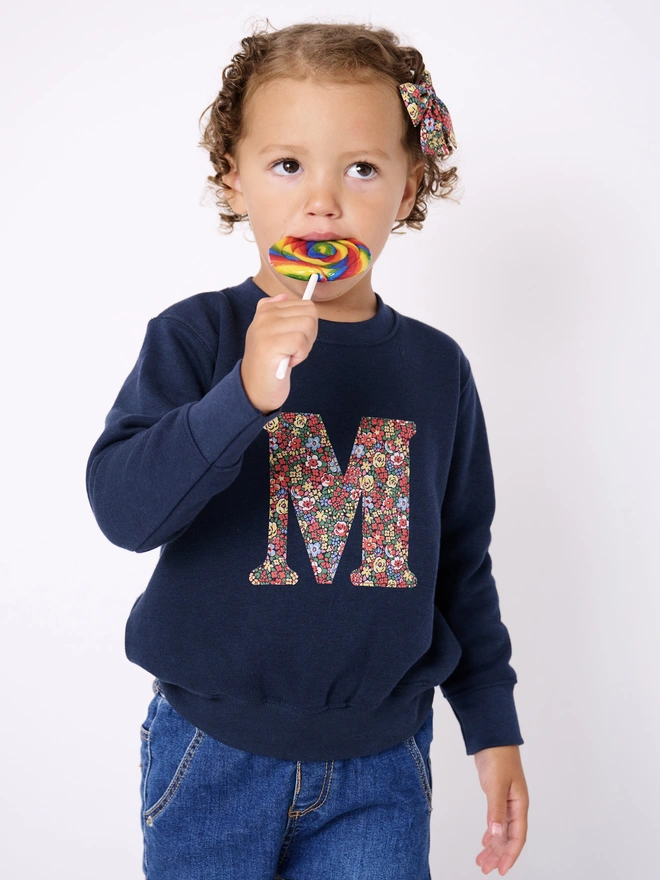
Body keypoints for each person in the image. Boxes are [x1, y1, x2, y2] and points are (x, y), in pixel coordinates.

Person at [85, 18, 529, 880]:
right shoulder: (197, 337)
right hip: (210, 750)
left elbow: (462, 563)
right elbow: (124, 511)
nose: (322, 200)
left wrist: (493, 722)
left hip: (382, 763)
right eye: (287, 165)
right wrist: (242, 395)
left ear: (407, 190)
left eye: (362, 168)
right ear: (235, 178)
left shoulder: (436, 369)